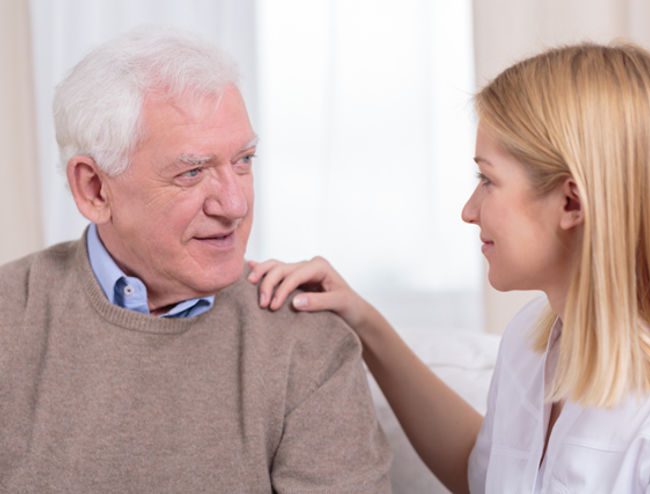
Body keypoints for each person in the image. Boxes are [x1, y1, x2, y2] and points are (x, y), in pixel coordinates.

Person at [248, 43, 650, 493]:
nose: (469, 209)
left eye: (487, 179)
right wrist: (364, 322)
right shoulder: (534, 341)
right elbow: (480, 475)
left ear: (571, 201)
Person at [0, 28, 391, 493]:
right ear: (95, 189)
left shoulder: (306, 341)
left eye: (244, 160)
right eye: (192, 171)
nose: (234, 204)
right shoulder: (11, 316)